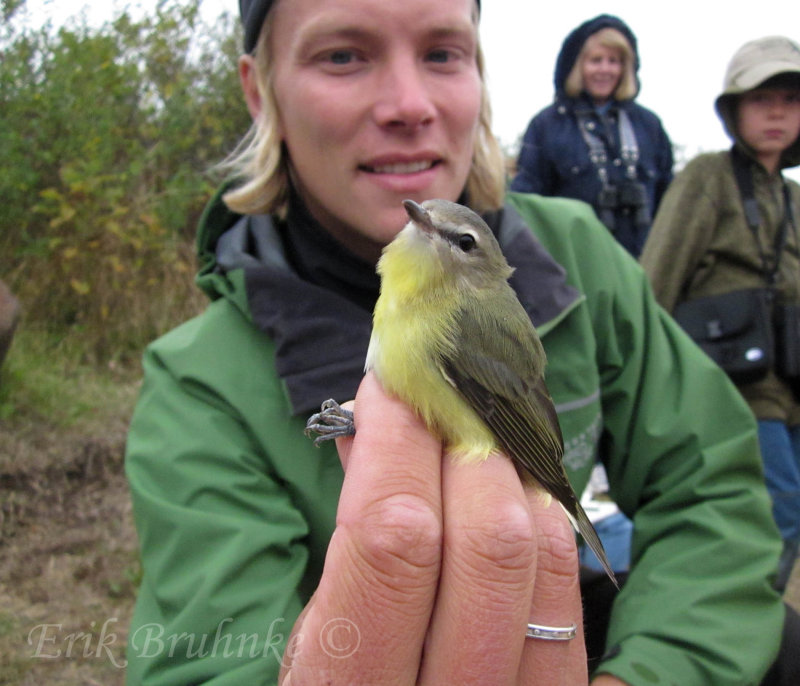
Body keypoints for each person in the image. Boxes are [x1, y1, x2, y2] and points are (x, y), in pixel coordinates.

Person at [124, 1, 786, 684]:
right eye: (343, 55)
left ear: (481, 76)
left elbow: (717, 494)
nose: (407, 105)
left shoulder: (581, 259)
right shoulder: (198, 385)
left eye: (443, 52)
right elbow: (203, 658)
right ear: (260, 92)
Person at [641, 35, 800, 594]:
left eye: (790, 98)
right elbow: (655, 278)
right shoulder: (708, 177)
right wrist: (648, 391)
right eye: (761, 99)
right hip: (733, 388)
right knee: (778, 516)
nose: (777, 111)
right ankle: (753, 649)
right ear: (735, 110)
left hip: (790, 388)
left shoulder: (792, 198)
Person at [510, 14, 673, 258]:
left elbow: (669, 200)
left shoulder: (649, 125)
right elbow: (525, 204)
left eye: (614, 61)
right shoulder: (547, 125)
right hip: (575, 266)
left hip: (644, 263)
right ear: (578, 65)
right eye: (596, 60)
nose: (605, 69)